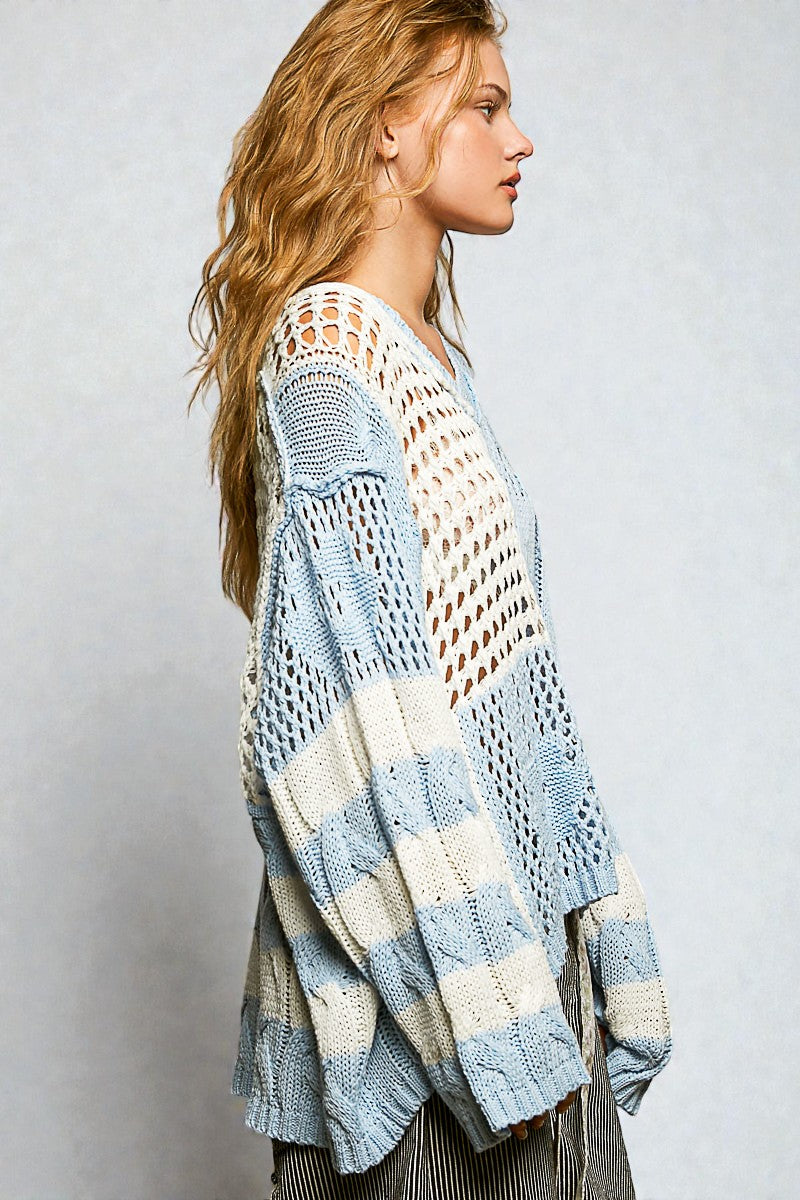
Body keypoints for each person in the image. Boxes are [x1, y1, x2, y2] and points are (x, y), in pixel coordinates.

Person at [188, 2, 673, 1197]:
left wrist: (603, 930)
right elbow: (343, 739)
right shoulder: (326, 363)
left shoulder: (419, 361)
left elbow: (520, 699)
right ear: (385, 134)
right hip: (428, 1030)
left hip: (519, 987)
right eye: (485, 106)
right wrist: (492, 1029)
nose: (519, 141)